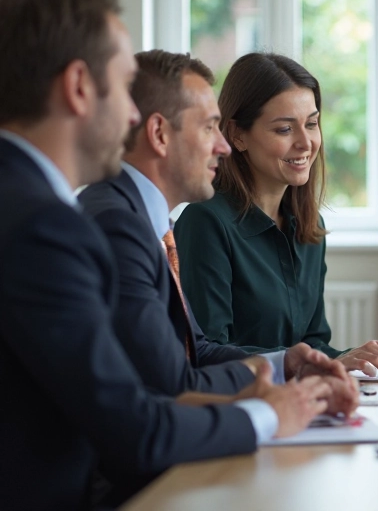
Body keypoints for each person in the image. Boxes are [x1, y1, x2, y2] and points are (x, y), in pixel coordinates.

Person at [0, 0, 330, 510]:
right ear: (80, 86)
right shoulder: (48, 224)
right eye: (122, 83)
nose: (132, 114)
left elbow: (182, 359)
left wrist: (279, 366)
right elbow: (139, 416)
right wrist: (272, 412)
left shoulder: (46, 207)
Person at [79, 50, 360, 413]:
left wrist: (292, 364)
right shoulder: (124, 223)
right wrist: (272, 413)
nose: (221, 146)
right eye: (209, 127)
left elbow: (196, 351)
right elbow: (171, 383)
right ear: (160, 134)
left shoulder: (146, 220)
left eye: (312, 123)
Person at [174, 53, 378, 376]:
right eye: (284, 129)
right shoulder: (205, 222)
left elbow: (313, 342)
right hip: (240, 407)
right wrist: (325, 363)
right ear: (237, 135)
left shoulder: (310, 226)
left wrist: (356, 357)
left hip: (299, 404)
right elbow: (206, 351)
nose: (306, 142)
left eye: (311, 124)